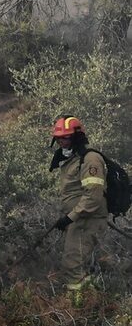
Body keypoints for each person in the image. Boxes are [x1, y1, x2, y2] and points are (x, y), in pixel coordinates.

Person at [49, 115, 108, 291]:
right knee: (77, 263)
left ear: (76, 137)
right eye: (58, 138)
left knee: (72, 264)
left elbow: (93, 197)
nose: (61, 141)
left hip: (86, 219)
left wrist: (70, 217)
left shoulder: (90, 160)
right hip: (79, 219)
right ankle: (95, 295)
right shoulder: (70, 159)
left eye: (65, 137)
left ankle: (77, 306)